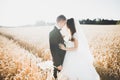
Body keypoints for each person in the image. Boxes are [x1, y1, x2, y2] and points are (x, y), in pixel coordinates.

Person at [49, 15, 67, 79]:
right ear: (61, 22)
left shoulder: (58, 32)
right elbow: (53, 50)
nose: (64, 25)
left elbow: (58, 44)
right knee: (56, 77)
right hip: (58, 62)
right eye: (64, 23)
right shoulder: (53, 33)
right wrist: (58, 64)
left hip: (62, 60)